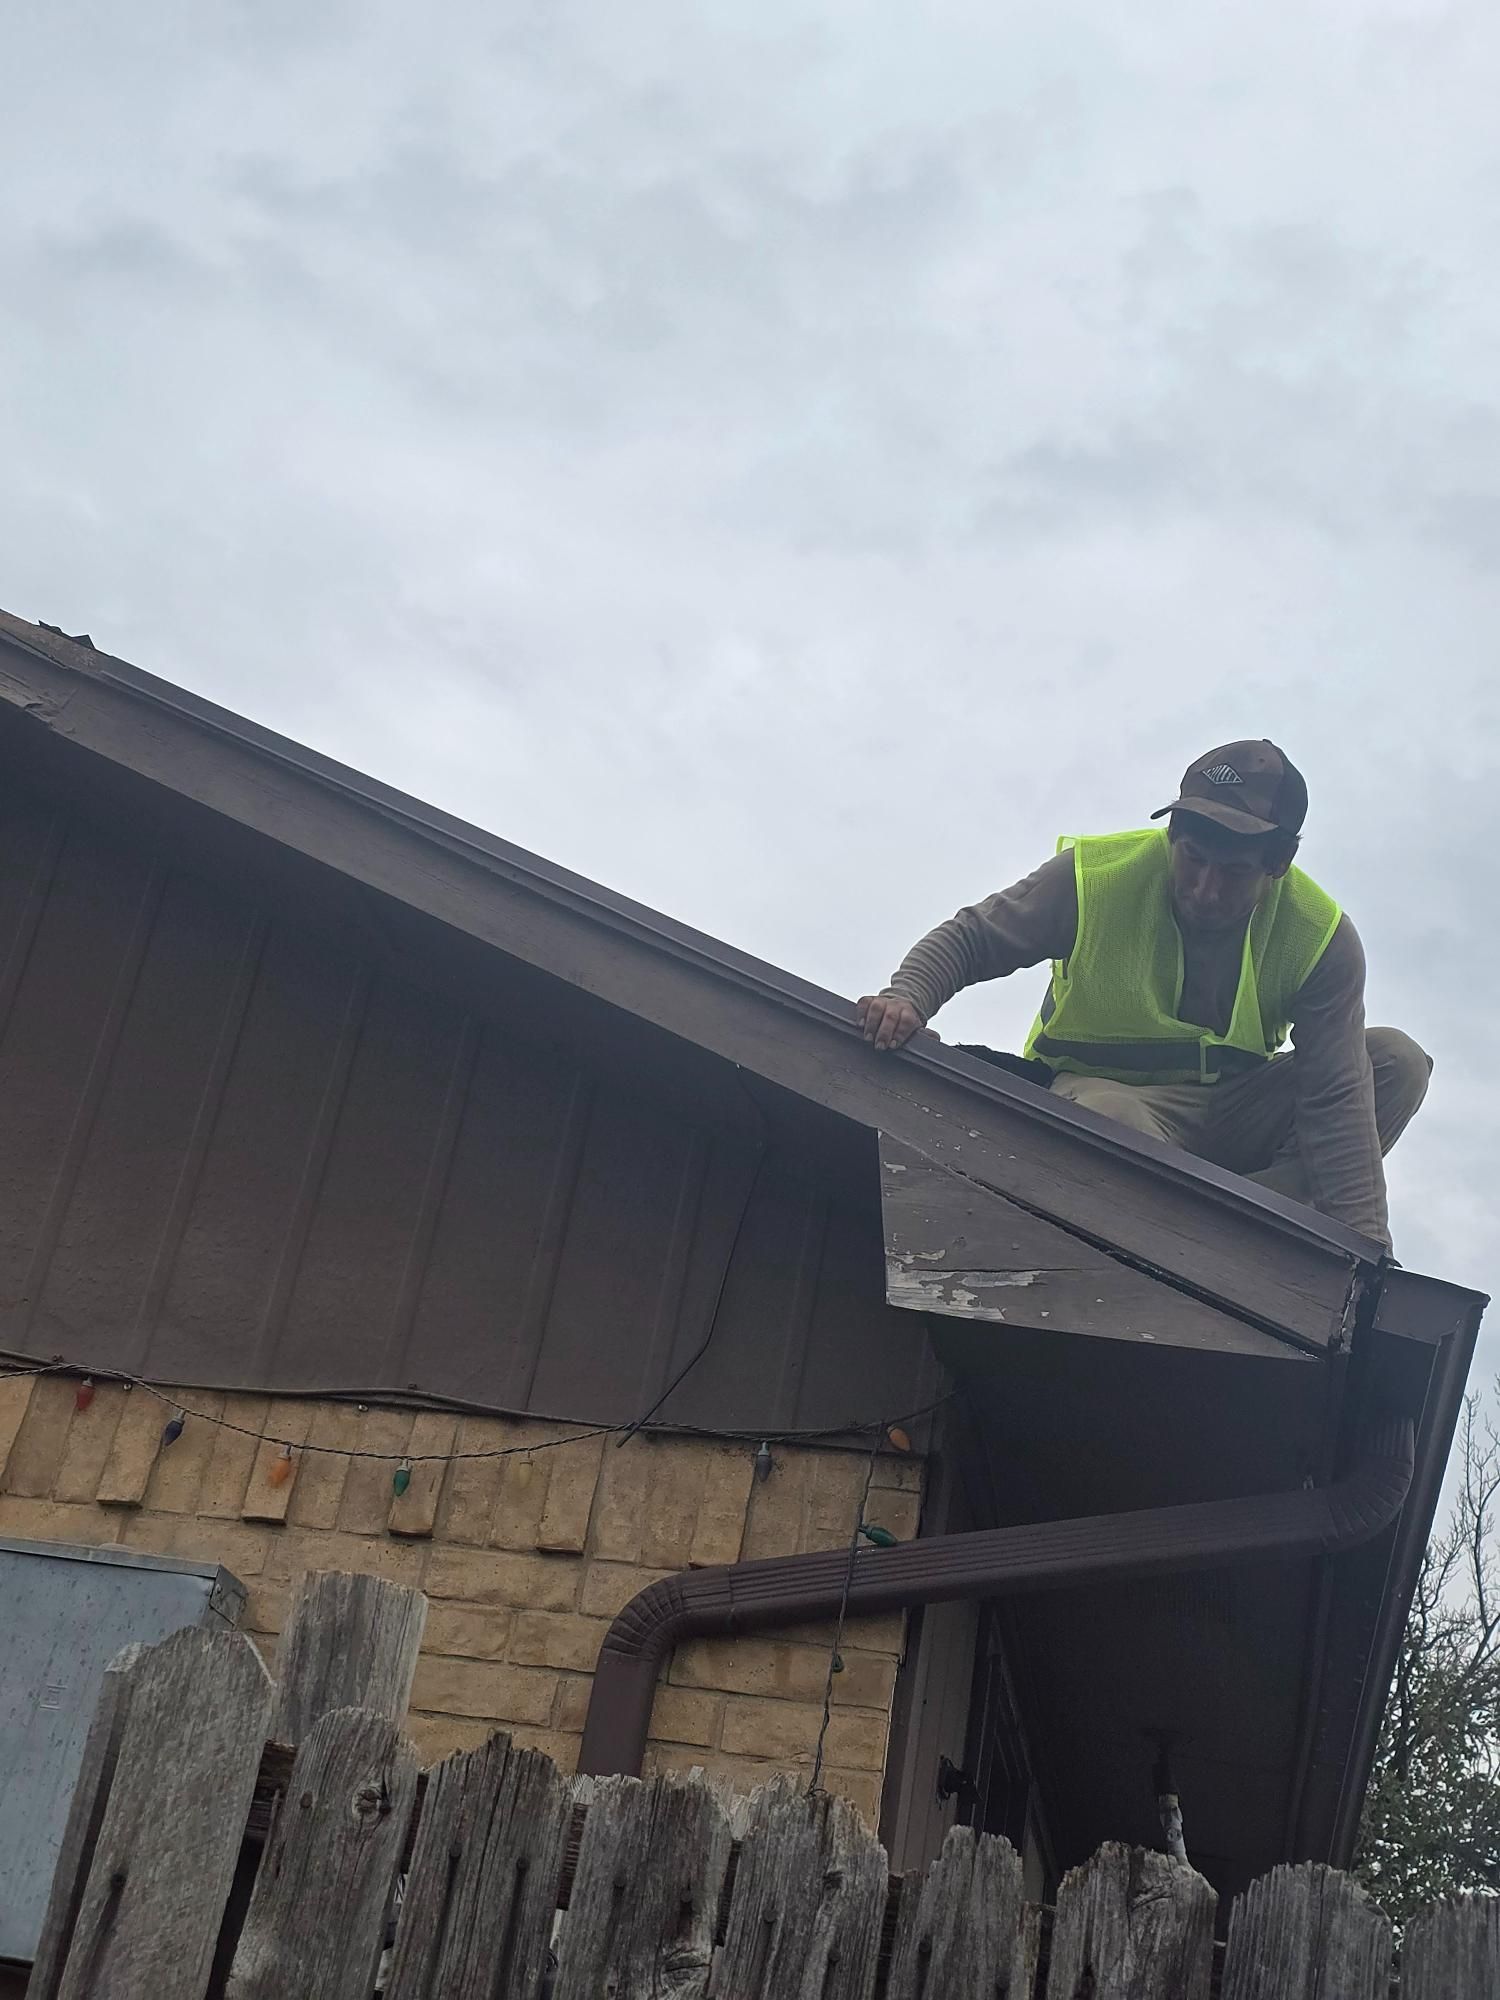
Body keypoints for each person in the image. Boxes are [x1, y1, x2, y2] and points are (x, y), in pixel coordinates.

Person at [857, 740, 1429, 1253]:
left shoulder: (1321, 937)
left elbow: (1337, 1097)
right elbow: (975, 936)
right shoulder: (1099, 877)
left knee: (1395, 1062)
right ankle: (1186, 1229)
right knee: (1113, 1122)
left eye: (1232, 873)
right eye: (1193, 859)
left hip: (1234, 1109)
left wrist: (1367, 1250)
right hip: (1109, 1097)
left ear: (1278, 865)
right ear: (1174, 834)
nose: (1205, 889)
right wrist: (907, 997)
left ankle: (1246, 1229)